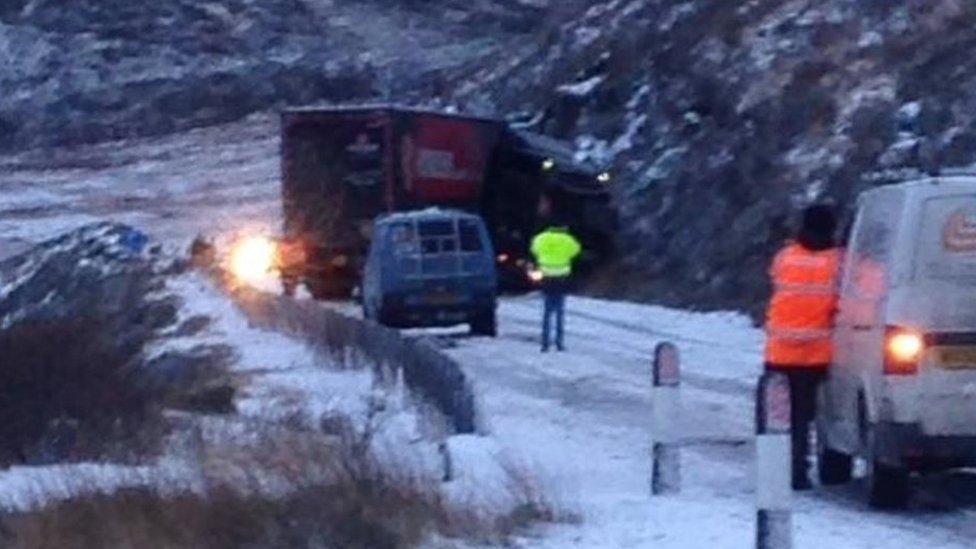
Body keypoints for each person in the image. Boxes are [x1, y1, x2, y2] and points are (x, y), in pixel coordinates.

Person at [764, 203, 842, 490]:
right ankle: (802, 472)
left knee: (777, 416)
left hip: (779, 352)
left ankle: (778, 470)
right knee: (807, 417)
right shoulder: (838, 263)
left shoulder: (785, 258)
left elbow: (775, 281)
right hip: (815, 356)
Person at [531, 223, 582, 352]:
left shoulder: (541, 238)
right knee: (560, 311)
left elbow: (534, 249)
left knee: (547, 312)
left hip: (547, 276)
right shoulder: (568, 239)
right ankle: (559, 343)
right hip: (561, 277)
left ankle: (545, 343)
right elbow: (576, 250)